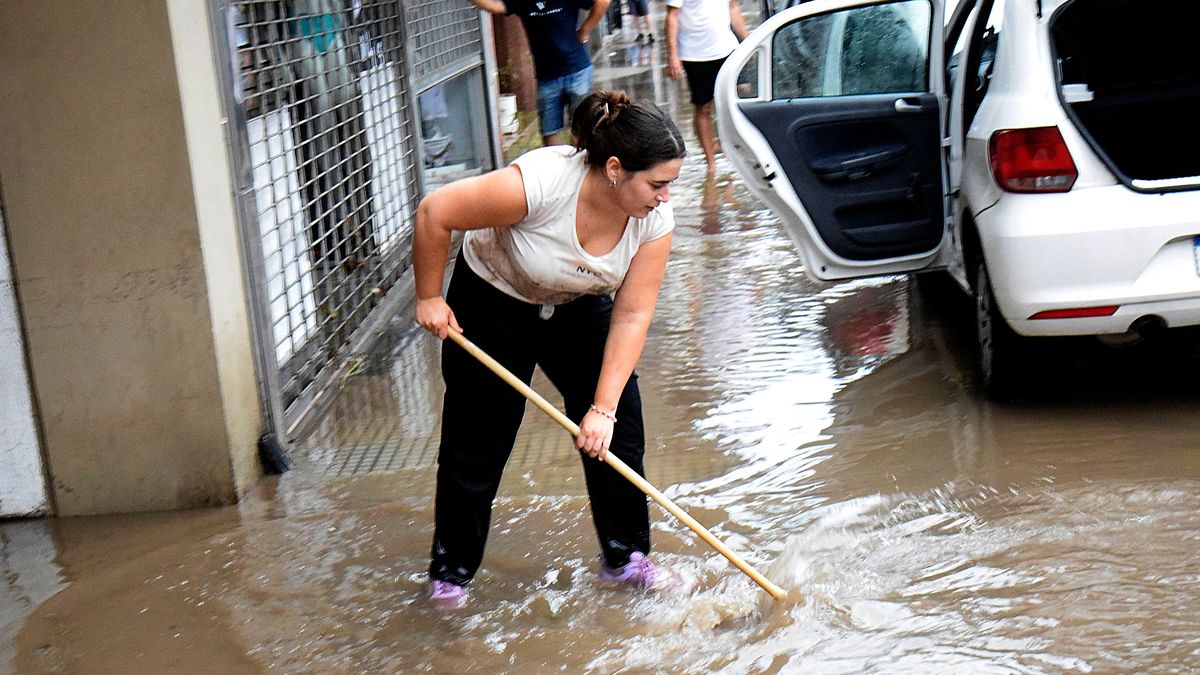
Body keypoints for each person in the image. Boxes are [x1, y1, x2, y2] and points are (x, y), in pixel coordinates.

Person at [414, 91, 687, 607]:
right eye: (657, 183)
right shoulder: (539, 184)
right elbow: (436, 211)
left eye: (670, 183)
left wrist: (601, 410)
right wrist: (428, 295)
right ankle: (451, 574)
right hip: (495, 297)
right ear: (614, 169)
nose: (665, 196)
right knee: (479, 441)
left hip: (578, 304)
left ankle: (626, 559)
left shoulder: (654, 220)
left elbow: (632, 314)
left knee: (619, 434)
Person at [472, 0, 612, 146]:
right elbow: (494, 6)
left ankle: (578, 165)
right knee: (549, 132)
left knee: (582, 129)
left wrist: (585, 30)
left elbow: (603, 2)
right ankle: (559, 168)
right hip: (547, 77)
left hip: (577, 71)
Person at [665, 0, 749, 173]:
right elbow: (672, 16)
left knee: (740, 96)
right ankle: (711, 162)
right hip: (695, 54)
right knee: (703, 108)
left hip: (727, 48)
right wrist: (673, 54)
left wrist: (748, 40)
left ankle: (727, 146)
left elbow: (732, 7)